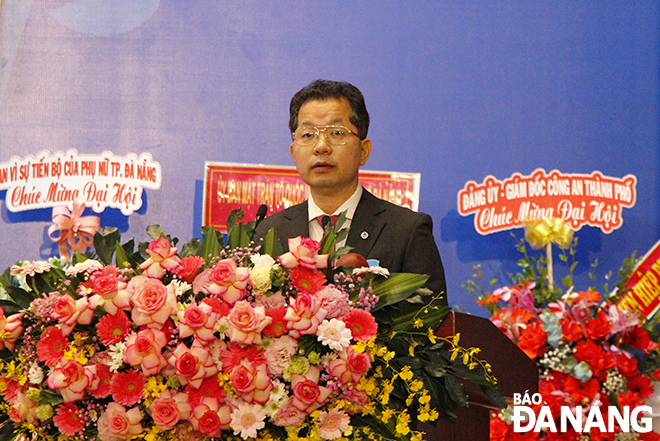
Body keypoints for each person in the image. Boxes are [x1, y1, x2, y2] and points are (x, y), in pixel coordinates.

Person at [255, 79, 447, 304]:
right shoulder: (268, 233)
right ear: (293, 153)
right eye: (308, 135)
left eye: (336, 133)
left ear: (364, 151)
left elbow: (432, 325)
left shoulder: (406, 232)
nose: (321, 146)